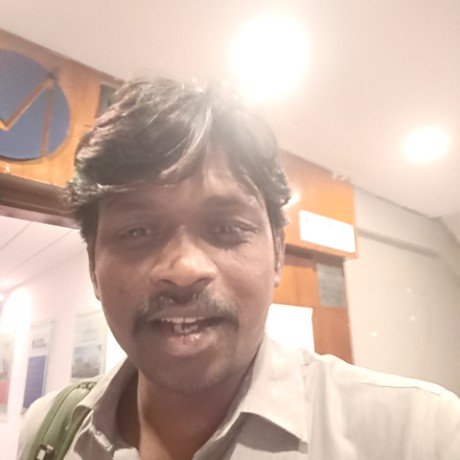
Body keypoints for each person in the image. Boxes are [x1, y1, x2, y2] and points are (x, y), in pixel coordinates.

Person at [18, 77, 460, 460]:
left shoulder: (420, 434)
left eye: (227, 228)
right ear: (94, 267)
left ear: (278, 253)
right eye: (137, 231)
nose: (185, 268)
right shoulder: (50, 430)